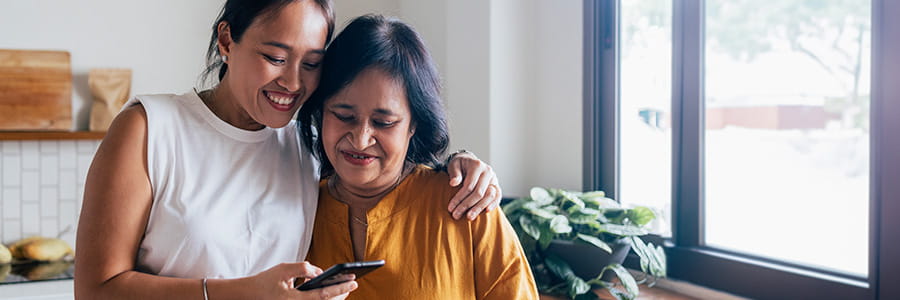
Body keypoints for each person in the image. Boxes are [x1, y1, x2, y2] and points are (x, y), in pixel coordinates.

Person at [74, 1, 502, 299]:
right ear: (227, 40)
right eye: (276, 57)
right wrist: (241, 294)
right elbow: (95, 290)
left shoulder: (306, 143)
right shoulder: (149, 128)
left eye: (312, 63)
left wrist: (460, 163)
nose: (294, 83)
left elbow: (375, 151)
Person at [300, 14, 539, 299]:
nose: (361, 138)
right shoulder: (298, 207)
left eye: (384, 122)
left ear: (414, 124)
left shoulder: (466, 205)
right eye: (343, 116)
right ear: (321, 112)